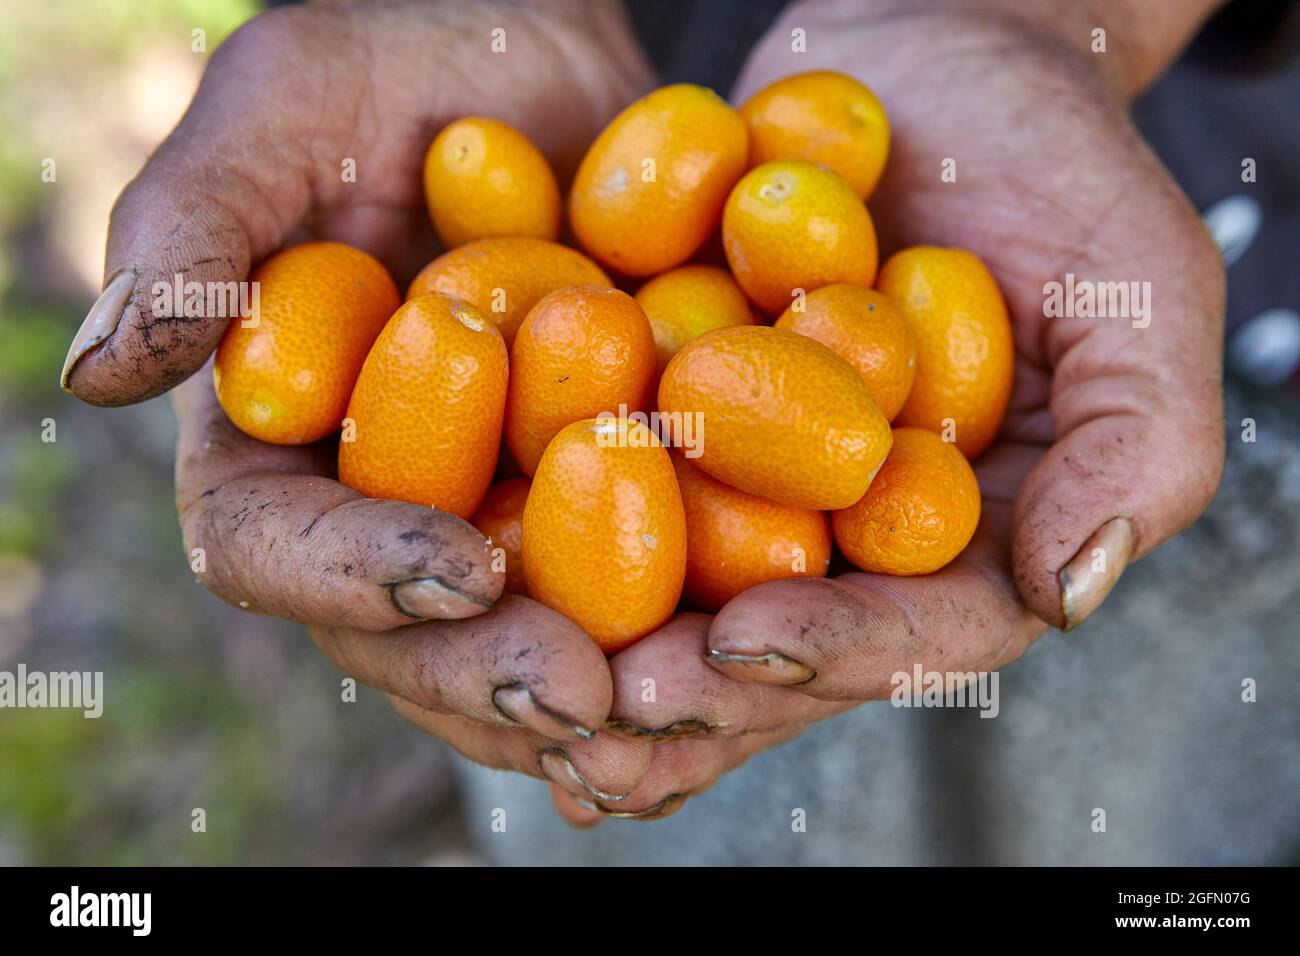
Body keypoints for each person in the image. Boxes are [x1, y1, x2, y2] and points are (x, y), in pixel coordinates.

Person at [62, 0, 1293, 862]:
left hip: (1217, 246)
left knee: (1167, 785)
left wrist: (1035, 18)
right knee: (616, 762)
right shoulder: (538, 343)